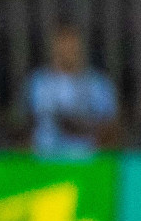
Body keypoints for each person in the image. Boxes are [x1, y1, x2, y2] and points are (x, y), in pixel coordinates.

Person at [26, 24, 118, 159]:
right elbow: (26, 124)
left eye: (71, 46)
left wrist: (80, 127)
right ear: (53, 48)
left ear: (79, 48)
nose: (66, 51)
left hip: (86, 159)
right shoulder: (38, 83)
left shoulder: (98, 84)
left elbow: (111, 127)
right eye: (62, 46)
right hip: (44, 160)